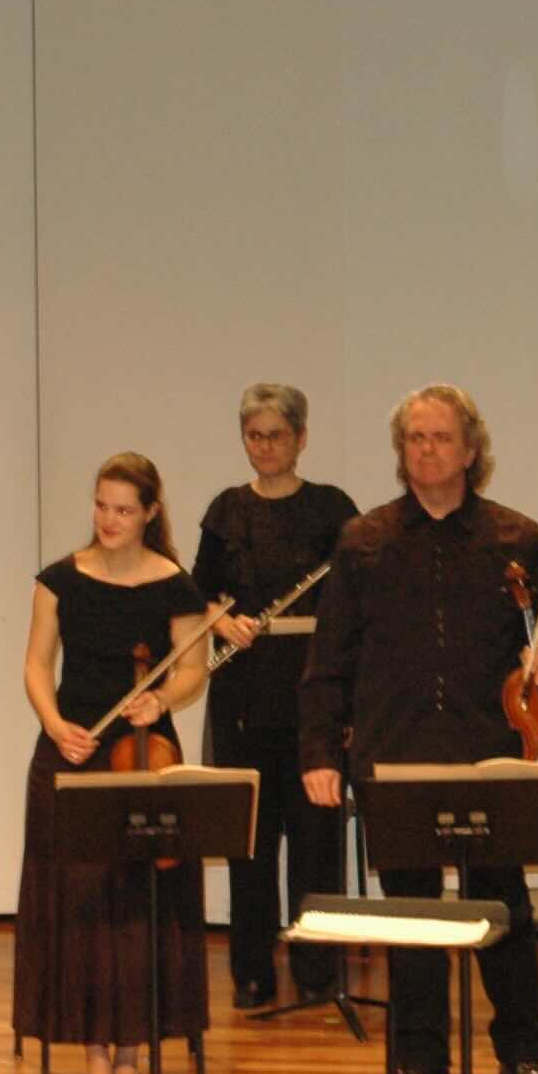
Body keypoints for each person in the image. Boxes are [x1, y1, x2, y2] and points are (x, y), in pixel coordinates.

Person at [300, 384, 538, 1074]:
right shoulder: (364, 541)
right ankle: (420, 1071)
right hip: (397, 754)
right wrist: (320, 752)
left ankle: (521, 1060)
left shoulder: (515, 537)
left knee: (503, 909)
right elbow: (329, 658)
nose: (426, 450)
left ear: (470, 449)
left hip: (489, 752)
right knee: (412, 919)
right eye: (414, 438)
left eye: (441, 437)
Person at [11, 453, 214, 1074]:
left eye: (124, 509)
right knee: (82, 904)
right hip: (72, 751)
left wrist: (161, 700)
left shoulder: (176, 585)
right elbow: (37, 664)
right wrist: (54, 722)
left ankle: (131, 1056)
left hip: (145, 754)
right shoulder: (59, 580)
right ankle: (96, 1057)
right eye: (101, 505)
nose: (109, 519)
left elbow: (193, 670)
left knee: (138, 903)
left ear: (150, 512)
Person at [194, 384, 358, 1010]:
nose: (264, 447)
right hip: (245, 697)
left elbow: (355, 599)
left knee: (317, 842)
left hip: (313, 697)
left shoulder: (332, 509)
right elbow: (199, 593)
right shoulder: (226, 510)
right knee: (252, 845)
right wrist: (221, 619)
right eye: (254, 436)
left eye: (276, 435)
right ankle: (252, 970)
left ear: (301, 438)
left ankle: (317, 968)